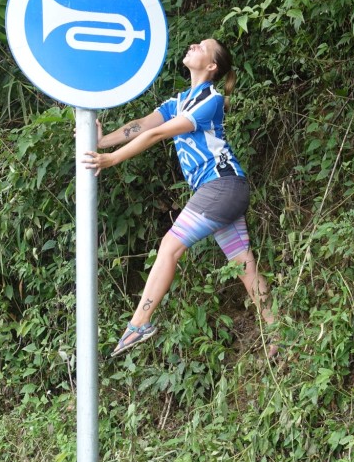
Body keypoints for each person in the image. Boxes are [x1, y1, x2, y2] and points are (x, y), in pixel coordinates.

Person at [81, 38, 276, 358]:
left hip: (221, 187)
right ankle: (279, 332)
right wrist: (103, 141)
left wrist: (112, 159)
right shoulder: (178, 101)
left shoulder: (211, 99)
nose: (194, 45)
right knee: (245, 266)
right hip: (223, 190)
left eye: (203, 47)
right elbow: (142, 125)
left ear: (212, 66)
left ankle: (139, 323)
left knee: (170, 246)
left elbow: (157, 133)